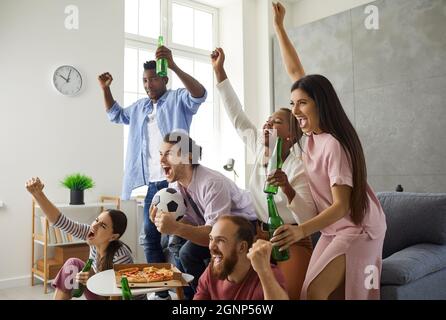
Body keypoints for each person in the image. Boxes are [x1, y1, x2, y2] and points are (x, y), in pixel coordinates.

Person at [271, 2, 387, 300]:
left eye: (302, 103)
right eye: (292, 102)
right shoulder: (309, 137)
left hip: (357, 227)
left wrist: (300, 231)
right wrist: (280, 28)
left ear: (320, 105)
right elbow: (297, 73)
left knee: (315, 292)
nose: (294, 110)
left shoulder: (332, 143)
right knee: (313, 292)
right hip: (335, 228)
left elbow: (340, 206)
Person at [98, 45, 207, 299]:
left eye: (153, 79)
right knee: (149, 238)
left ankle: (187, 293)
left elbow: (200, 94)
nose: (148, 84)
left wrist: (174, 65)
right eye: (145, 80)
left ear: (164, 79)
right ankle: (161, 292)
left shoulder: (178, 98)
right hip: (153, 184)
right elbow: (115, 114)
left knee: (176, 241)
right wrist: (106, 89)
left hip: (178, 182)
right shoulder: (140, 108)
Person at [210, 47, 316, 299]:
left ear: (291, 135)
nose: (268, 123)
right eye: (268, 119)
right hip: (258, 234)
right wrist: (219, 71)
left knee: (286, 295)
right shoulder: (259, 146)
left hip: (291, 239)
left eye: (277, 121)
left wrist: (287, 187)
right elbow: (237, 116)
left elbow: (307, 216)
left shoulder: (298, 166)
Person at [151, 131, 258, 294]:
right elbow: (192, 223)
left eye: (168, 154)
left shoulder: (211, 183)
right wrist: (166, 222)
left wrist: (175, 228)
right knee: (178, 246)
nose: (161, 160)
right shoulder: (175, 188)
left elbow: (214, 233)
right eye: (160, 154)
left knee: (187, 252)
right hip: (217, 227)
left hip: (248, 224)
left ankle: (213, 295)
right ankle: (196, 296)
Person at [25, 177, 139, 300]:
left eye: (103, 226)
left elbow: (120, 296)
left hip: (119, 297)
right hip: (102, 292)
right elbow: (59, 221)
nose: (94, 226)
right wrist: (38, 194)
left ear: (113, 236)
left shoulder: (120, 256)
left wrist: (92, 279)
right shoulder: (92, 235)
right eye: (96, 220)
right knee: (72, 264)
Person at [194, 215, 288, 300]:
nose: (211, 246)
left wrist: (264, 271)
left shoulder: (268, 274)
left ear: (242, 247)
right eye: (211, 239)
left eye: (220, 240)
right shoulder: (211, 271)